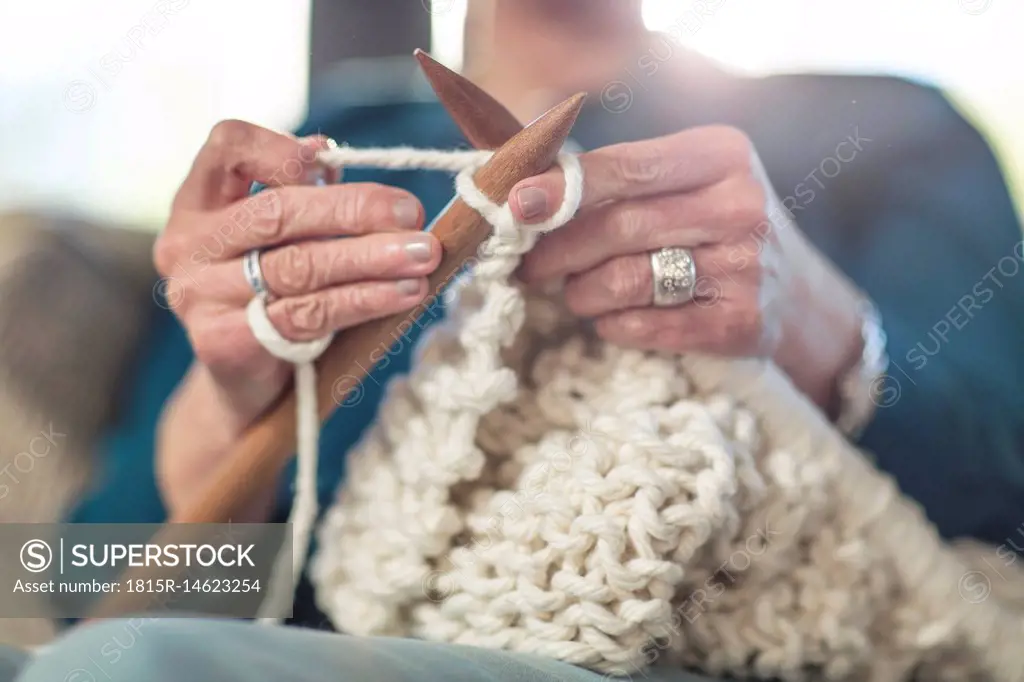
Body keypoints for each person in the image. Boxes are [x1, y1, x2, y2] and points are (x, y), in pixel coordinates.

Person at [12, 0, 1023, 680]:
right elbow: (68, 591)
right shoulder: (325, 135)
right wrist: (228, 404)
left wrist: (818, 328)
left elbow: (1008, 487)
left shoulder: (883, 124)